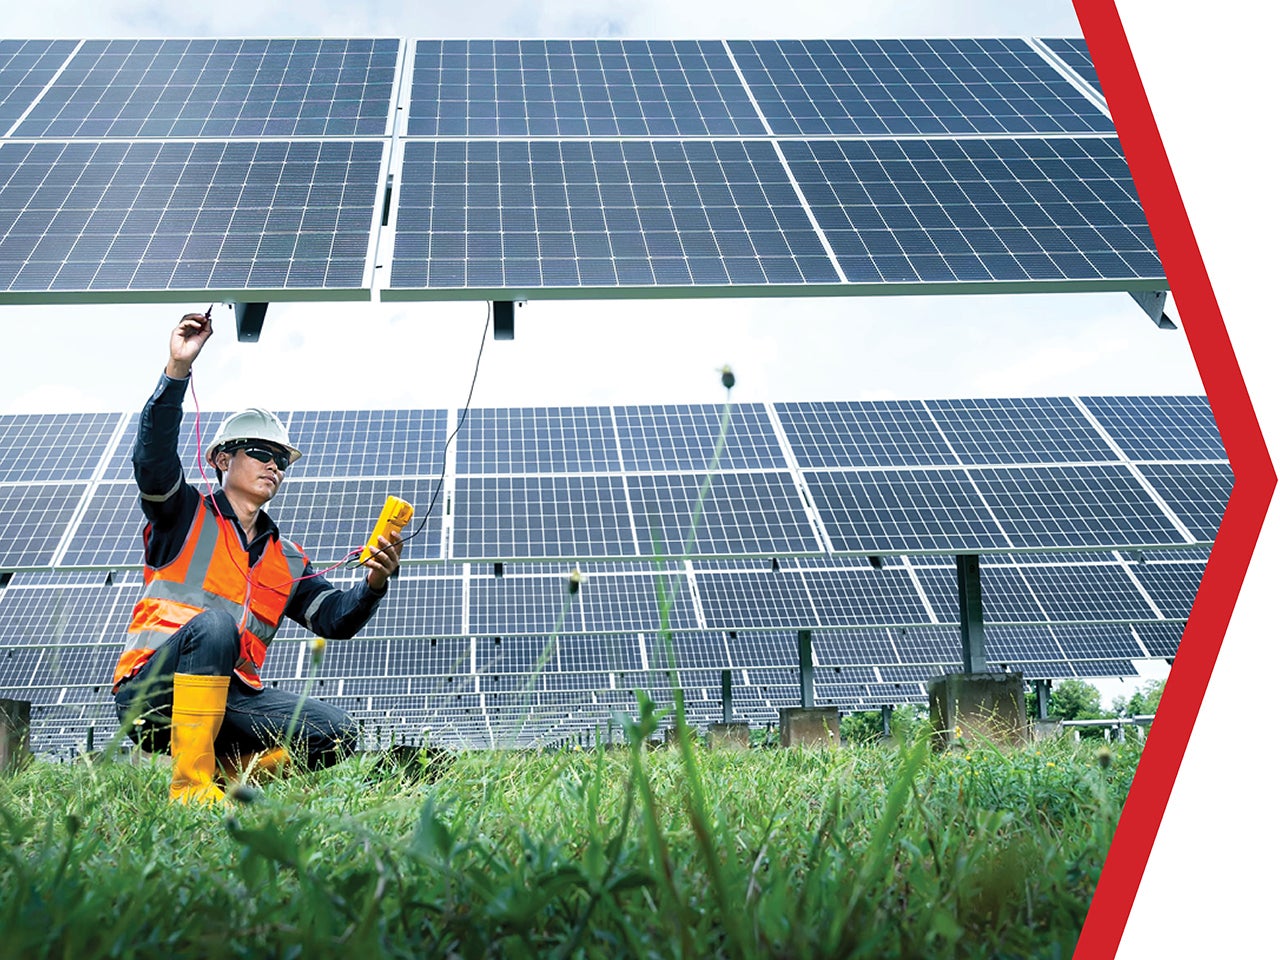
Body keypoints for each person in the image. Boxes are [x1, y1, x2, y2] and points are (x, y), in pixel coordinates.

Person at [112, 311, 403, 804]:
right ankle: (189, 791)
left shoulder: (285, 557)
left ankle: (229, 782)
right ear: (224, 459)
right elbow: (153, 462)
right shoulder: (184, 514)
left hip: (228, 698)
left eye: (282, 459)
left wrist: (373, 584)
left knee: (336, 732)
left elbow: (334, 619)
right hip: (152, 692)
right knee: (215, 625)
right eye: (260, 453)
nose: (274, 465)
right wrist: (177, 370)